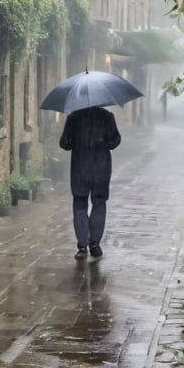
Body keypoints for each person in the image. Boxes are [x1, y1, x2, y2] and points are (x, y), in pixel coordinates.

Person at [59, 105, 121, 259]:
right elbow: (115, 142)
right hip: (101, 169)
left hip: (80, 168)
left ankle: (82, 245)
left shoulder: (74, 117)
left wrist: (76, 140)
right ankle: (94, 243)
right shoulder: (107, 117)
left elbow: (65, 143)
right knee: (99, 203)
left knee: (80, 203)